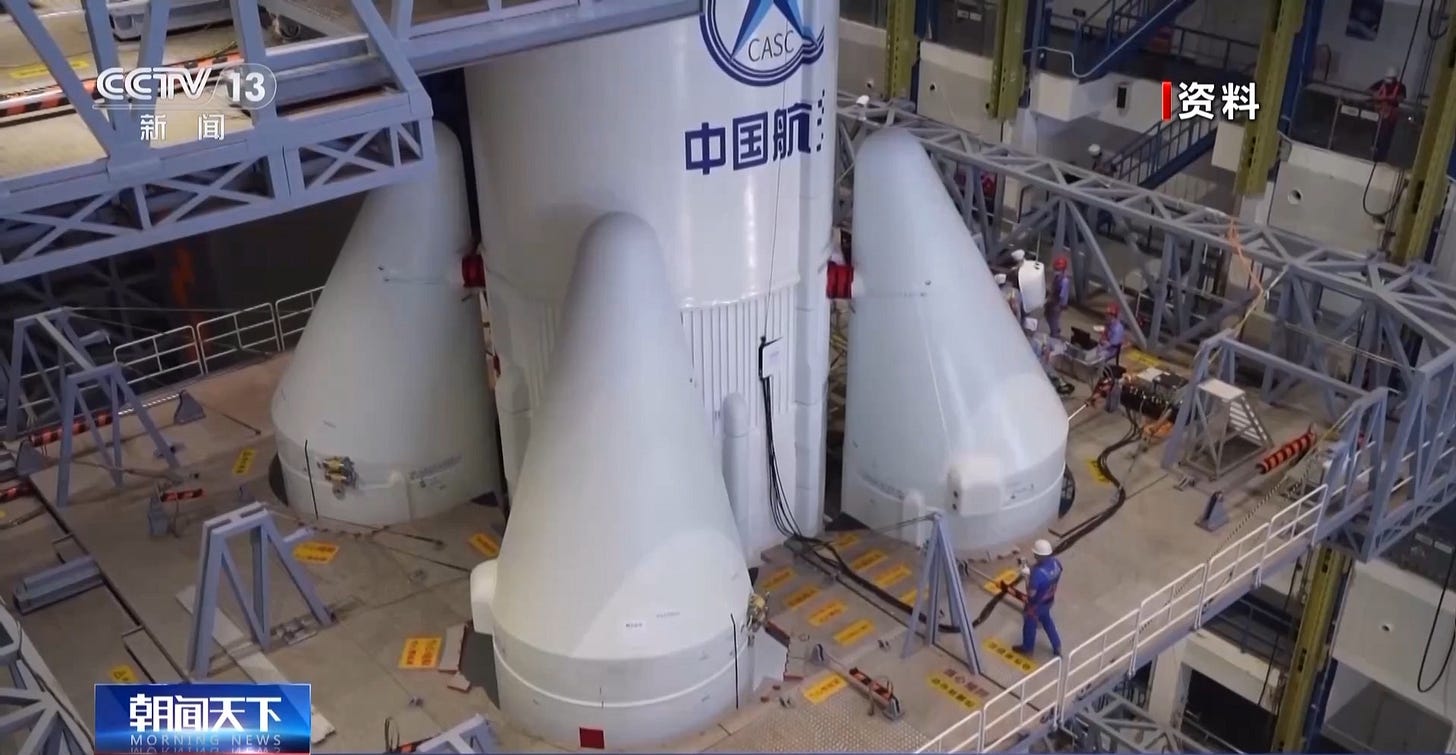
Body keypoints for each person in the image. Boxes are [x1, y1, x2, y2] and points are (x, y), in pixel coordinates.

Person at [1014, 538, 1062, 657]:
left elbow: (1031, 593)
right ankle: (1057, 645)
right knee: (1047, 621)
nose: (1034, 556)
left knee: (1030, 625)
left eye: (1035, 554)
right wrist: (1031, 569)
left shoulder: (1037, 574)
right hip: (1049, 600)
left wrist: (1026, 577)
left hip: (1035, 605)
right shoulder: (1056, 563)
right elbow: (1048, 574)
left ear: (1039, 555)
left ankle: (1027, 648)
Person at [1369, 68, 1407, 164]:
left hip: (1391, 114)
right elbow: (1370, 90)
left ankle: (1382, 155)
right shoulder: (1381, 83)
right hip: (1380, 112)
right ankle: (1374, 149)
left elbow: (1401, 98)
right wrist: (1376, 95)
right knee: (1377, 130)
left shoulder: (1401, 86)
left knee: (1387, 133)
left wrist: (1393, 101)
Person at [1046, 255, 1071, 340]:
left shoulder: (1064, 281)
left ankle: (1055, 334)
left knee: (1053, 318)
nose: (1056, 271)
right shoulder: (1057, 277)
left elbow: (1062, 295)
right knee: (1048, 315)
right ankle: (1055, 330)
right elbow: (1053, 288)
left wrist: (1051, 301)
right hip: (1054, 300)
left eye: (1058, 270)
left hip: (1058, 303)